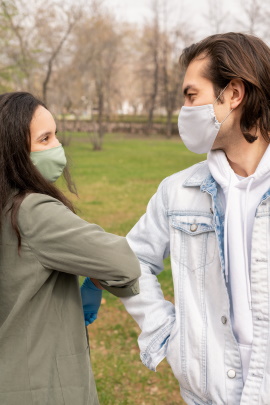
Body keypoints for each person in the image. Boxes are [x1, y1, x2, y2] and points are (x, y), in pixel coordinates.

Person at [119, 32, 270, 405]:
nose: (184, 110)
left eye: (192, 96)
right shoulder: (177, 190)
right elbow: (133, 258)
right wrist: (168, 336)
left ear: (233, 94)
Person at [0, 92, 140, 405]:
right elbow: (122, 262)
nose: (58, 148)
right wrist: (97, 279)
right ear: (14, 151)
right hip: (39, 386)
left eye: (56, 135)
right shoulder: (31, 211)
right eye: (45, 138)